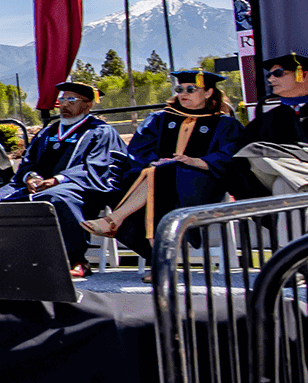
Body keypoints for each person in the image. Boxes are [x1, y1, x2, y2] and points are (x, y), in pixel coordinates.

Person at [84, 70, 245, 257]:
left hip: (200, 183)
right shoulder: (160, 119)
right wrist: (154, 161)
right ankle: (158, 257)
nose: (183, 94)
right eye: (180, 89)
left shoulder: (225, 124)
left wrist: (196, 161)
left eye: (191, 89)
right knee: (155, 175)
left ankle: (115, 221)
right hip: (154, 176)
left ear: (208, 92)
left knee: (161, 175)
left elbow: (230, 154)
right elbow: (139, 149)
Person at [0, 82, 127, 277]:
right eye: (62, 100)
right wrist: (31, 177)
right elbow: (28, 162)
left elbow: (98, 166)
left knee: (57, 197)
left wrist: (58, 179)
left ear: (88, 104)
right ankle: (16, 257)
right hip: (42, 187)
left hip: (83, 188)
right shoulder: (48, 132)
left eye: (71, 100)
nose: (64, 105)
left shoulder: (100, 131)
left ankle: (76, 259)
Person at [232, 52, 308, 196]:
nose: (271, 79)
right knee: (254, 152)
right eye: (269, 75)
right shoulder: (268, 118)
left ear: (303, 75)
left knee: (282, 185)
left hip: (306, 176)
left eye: (278, 73)